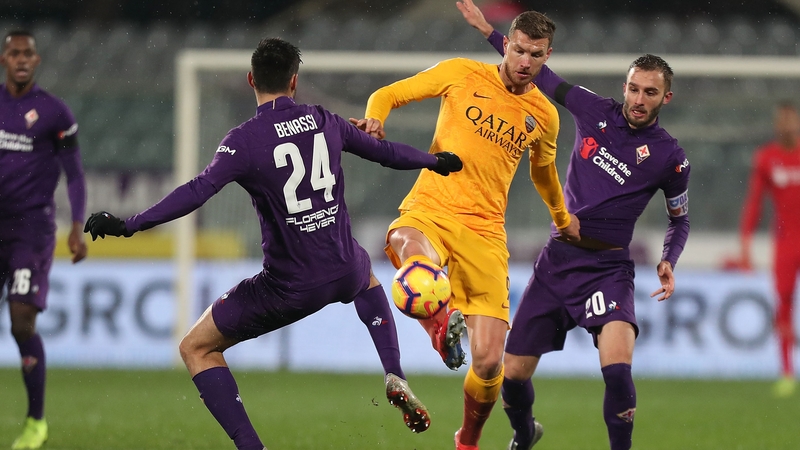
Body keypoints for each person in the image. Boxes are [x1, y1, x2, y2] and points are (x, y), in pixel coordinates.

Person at [83, 37, 463, 450]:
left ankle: (252, 447)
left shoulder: (243, 140)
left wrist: (130, 224)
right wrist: (436, 162)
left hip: (287, 287)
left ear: (251, 79)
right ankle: (394, 373)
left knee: (196, 347)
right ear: (295, 81)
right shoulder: (325, 119)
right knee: (368, 279)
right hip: (343, 268)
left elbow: (197, 190)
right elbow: (385, 152)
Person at [457, 1, 690, 449]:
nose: (639, 100)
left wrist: (668, 259)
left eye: (650, 93)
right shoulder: (593, 109)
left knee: (618, 371)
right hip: (557, 262)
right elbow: (540, 74)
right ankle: (525, 435)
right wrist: (490, 32)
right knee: (511, 377)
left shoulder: (671, 157)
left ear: (666, 98)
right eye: (635, 89)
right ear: (624, 86)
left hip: (608, 269)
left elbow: (680, 220)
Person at [350, 10, 580, 450]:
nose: (525, 61)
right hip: (432, 209)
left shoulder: (545, 116)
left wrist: (561, 216)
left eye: (535, 54)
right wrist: (376, 119)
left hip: (486, 233)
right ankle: (441, 327)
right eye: (518, 49)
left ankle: (467, 440)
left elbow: (544, 172)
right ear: (507, 44)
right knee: (409, 251)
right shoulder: (461, 73)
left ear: (547, 56)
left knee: (491, 362)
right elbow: (389, 93)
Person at [0, 30, 88, 450]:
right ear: (4, 58)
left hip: (31, 231)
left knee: (21, 321)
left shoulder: (54, 112)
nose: (20, 59)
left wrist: (77, 226)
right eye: (14, 52)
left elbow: (75, 173)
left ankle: (36, 422)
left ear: (36, 62)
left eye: (27, 54)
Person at [736, 101, 800, 398]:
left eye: (791, 121)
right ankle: (786, 373)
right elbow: (754, 203)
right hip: (786, 242)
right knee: (783, 306)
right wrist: (746, 244)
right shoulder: (766, 158)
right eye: (782, 122)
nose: (786, 126)